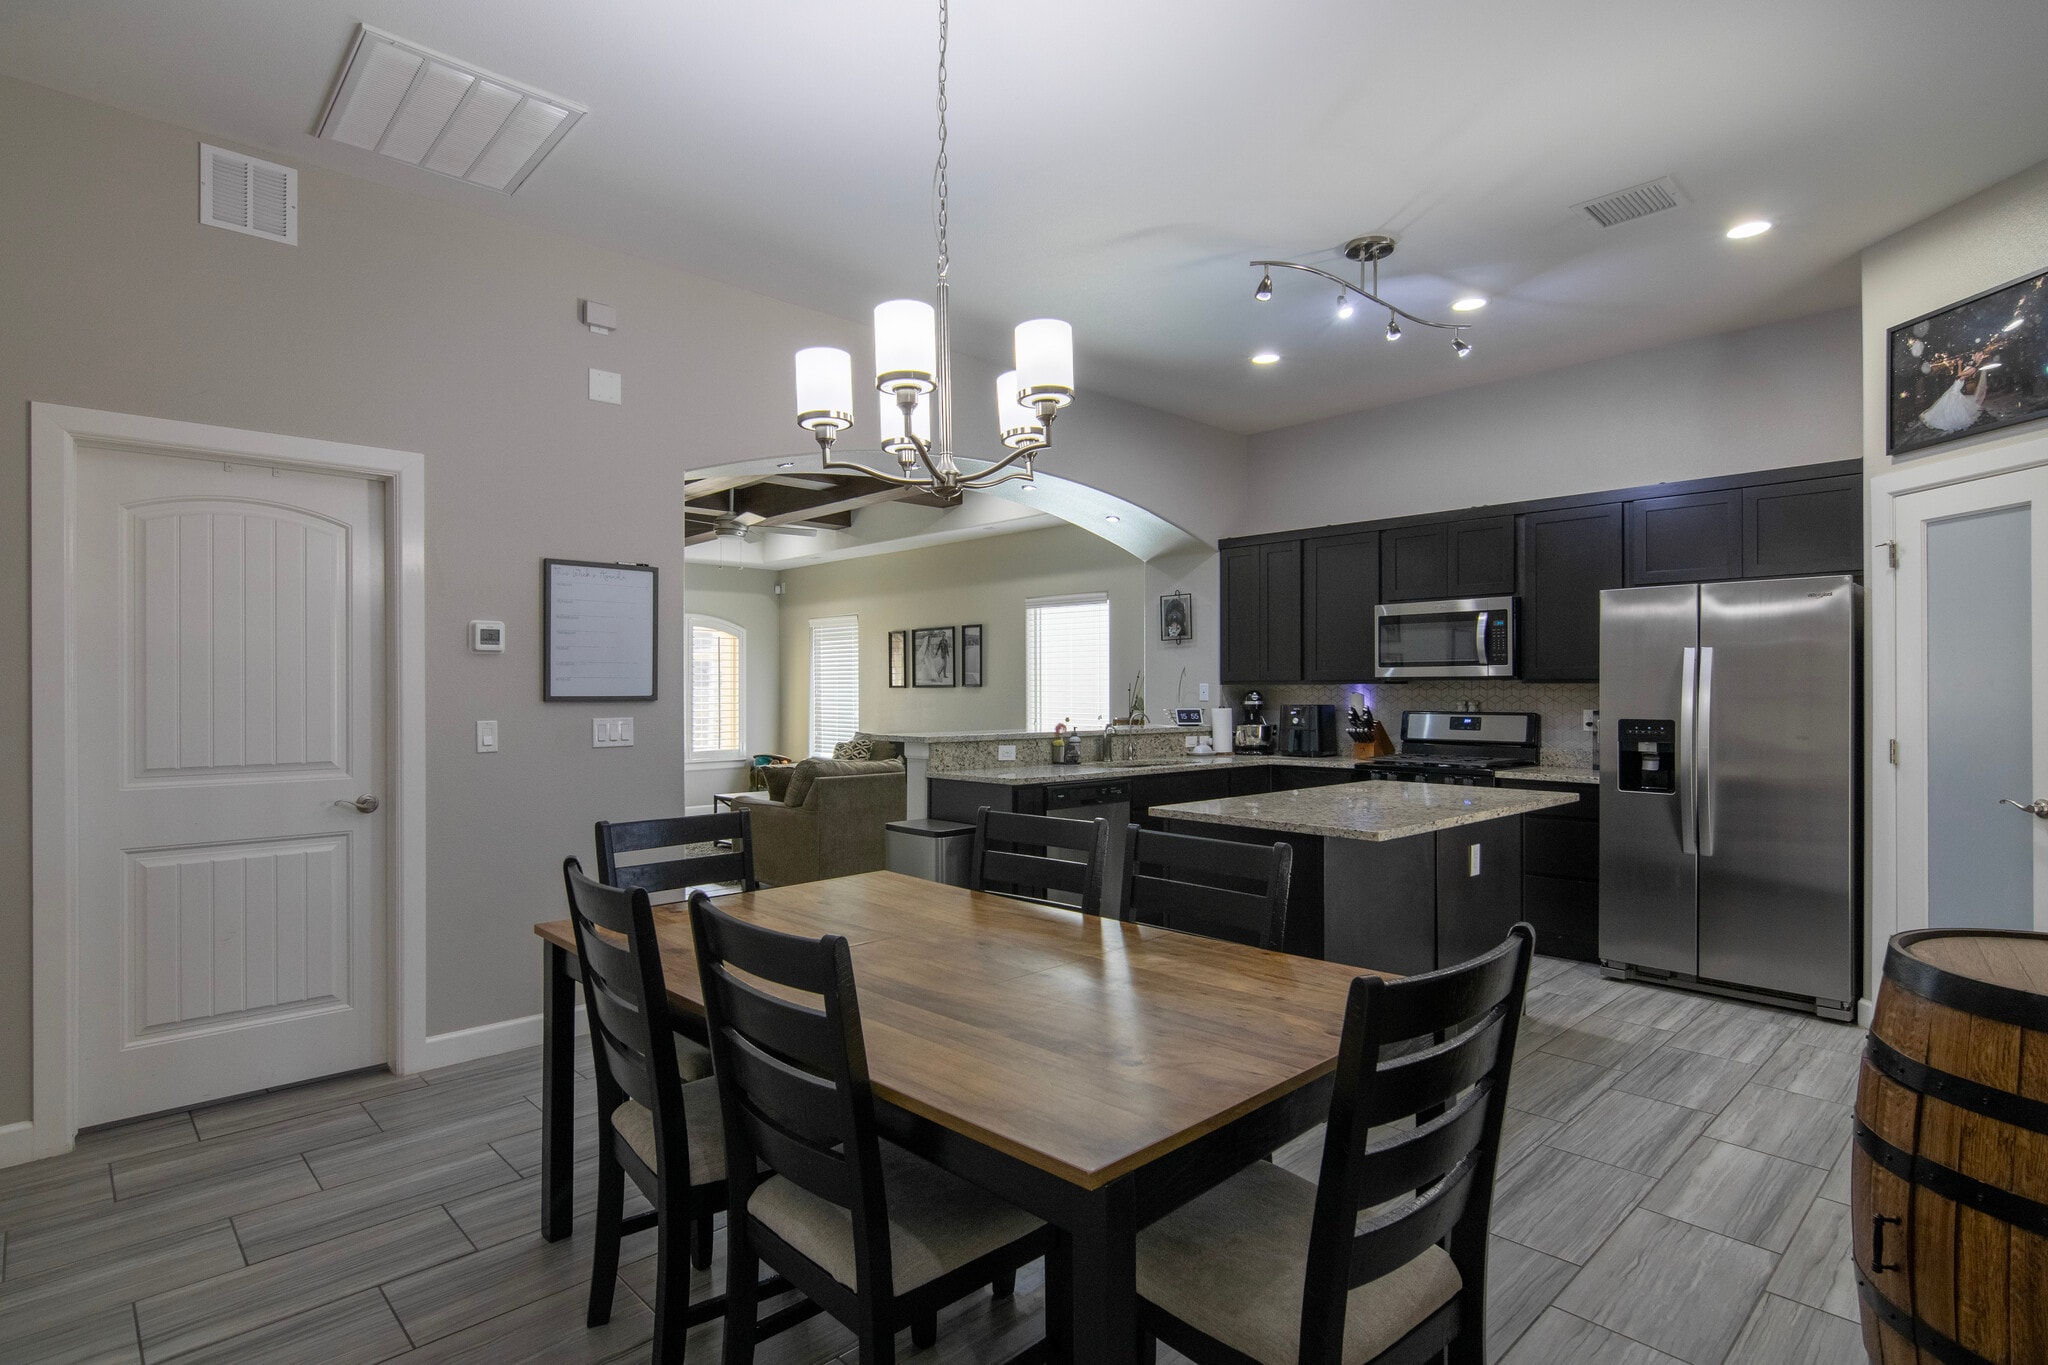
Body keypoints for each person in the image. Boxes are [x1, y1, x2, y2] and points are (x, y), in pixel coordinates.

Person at [1920, 365, 1988, 434]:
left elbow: (1959, 374)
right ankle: (1949, 416)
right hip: (1957, 383)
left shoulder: (1973, 368)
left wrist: (1959, 364)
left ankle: (1951, 419)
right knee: (1950, 401)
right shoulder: (1972, 367)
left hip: (1958, 383)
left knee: (1952, 401)